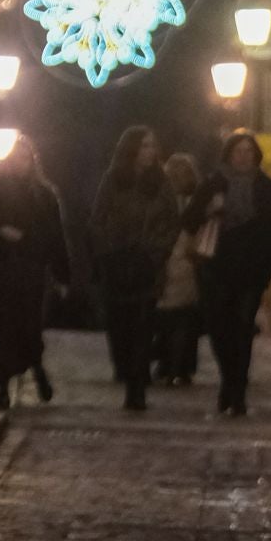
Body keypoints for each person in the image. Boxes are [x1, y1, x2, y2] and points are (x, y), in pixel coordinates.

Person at [185, 130, 271, 416]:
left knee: (243, 328)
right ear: (229, 155)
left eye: (249, 152)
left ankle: (238, 390)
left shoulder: (266, 187)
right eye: (238, 151)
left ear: (256, 156)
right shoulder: (213, 184)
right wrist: (209, 210)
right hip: (217, 268)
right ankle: (228, 381)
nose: (244, 157)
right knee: (221, 330)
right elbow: (188, 220)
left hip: (251, 271)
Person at [0, 140, 70, 409]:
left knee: (30, 323)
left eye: (24, 158)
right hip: (2, 267)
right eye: (14, 158)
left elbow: (56, 236)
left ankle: (35, 365)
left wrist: (62, 274)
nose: (19, 164)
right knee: (2, 325)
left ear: (32, 162)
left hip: (32, 268)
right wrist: (0, 233)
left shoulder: (44, 195)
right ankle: (0, 384)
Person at [91, 126, 180, 410]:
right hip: (118, 263)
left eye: (153, 146)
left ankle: (137, 387)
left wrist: (157, 251)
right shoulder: (114, 179)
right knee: (122, 325)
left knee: (143, 325)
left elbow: (171, 221)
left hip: (148, 264)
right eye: (144, 146)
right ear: (131, 150)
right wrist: (110, 250)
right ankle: (128, 372)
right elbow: (98, 219)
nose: (149, 152)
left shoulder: (162, 182)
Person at [154, 150, 204, 387]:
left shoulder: (162, 199)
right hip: (189, 260)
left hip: (169, 260)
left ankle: (170, 364)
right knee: (185, 318)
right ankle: (181, 366)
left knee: (170, 318)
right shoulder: (197, 200)